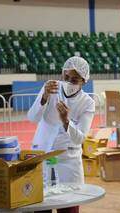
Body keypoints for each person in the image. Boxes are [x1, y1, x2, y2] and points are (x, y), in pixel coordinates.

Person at [27, 56, 95, 213]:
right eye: (66, 77)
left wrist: (66, 121)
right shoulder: (50, 89)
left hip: (68, 161)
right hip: (43, 154)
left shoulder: (87, 102)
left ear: (84, 81)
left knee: (69, 206)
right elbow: (32, 117)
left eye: (75, 79)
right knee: (41, 206)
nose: (69, 81)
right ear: (62, 74)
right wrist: (44, 98)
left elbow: (80, 138)